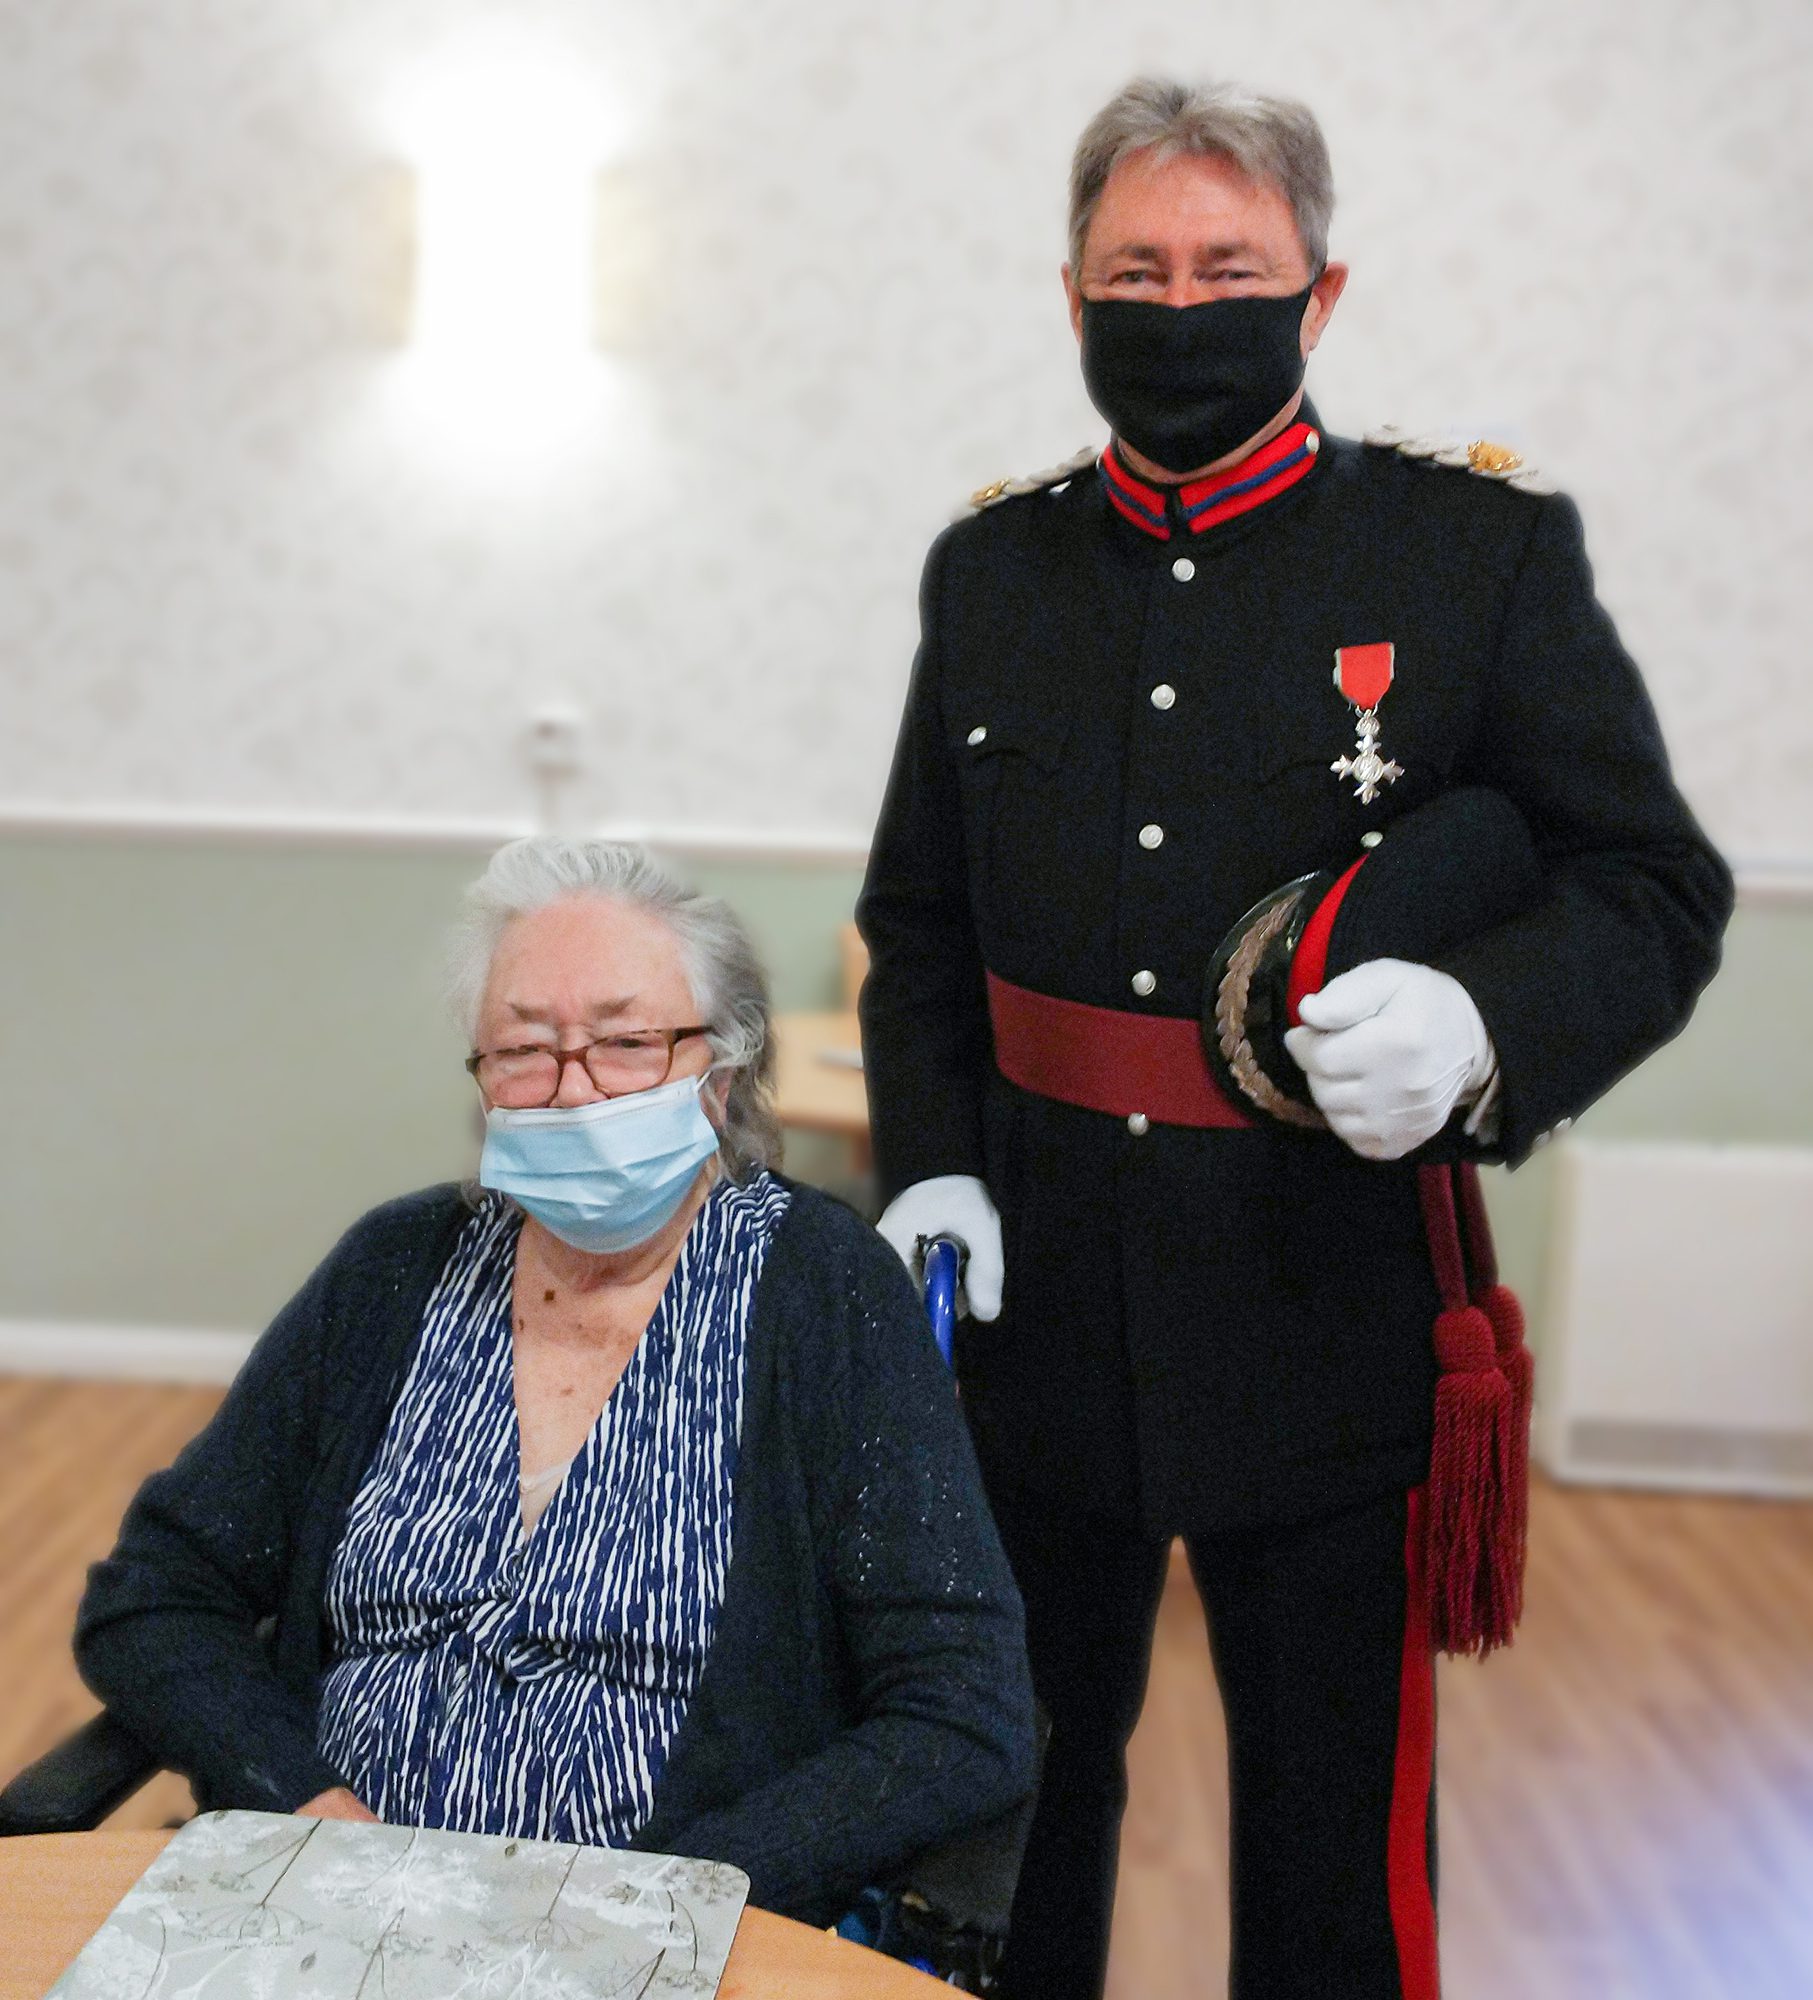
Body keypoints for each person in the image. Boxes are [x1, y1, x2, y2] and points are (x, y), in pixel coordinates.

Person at [857, 75, 1732, 2000]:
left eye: (1228, 268)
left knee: (1336, 1885)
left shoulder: (1470, 555)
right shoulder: (989, 573)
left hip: (1327, 1318)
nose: (1181, 310)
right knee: (999, 1843)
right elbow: (916, 928)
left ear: (1319, 296)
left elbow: (1648, 883)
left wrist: (1482, 1023)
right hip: (1036, 1333)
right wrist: (926, 1159)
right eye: (1136, 272)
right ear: (1068, 296)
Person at [77, 837, 1036, 1927]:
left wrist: (668, 1896)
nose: (573, 1090)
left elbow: (964, 1713)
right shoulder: (394, 1268)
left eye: (627, 1041)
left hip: (657, 1932)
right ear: (481, 1077)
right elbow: (156, 1595)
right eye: (524, 1048)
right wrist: (300, 1798)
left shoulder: (820, 1291)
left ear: (719, 1074)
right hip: (329, 1910)